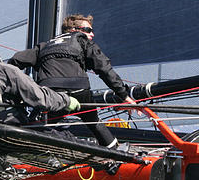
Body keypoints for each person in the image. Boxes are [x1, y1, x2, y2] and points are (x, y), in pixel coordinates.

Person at [9, 14, 134, 147]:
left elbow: (15, 62)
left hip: (50, 93)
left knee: (37, 125)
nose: (92, 34)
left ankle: (38, 154)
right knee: (94, 122)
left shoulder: (44, 46)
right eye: (88, 30)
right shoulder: (82, 40)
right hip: (79, 90)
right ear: (75, 30)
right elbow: (104, 68)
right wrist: (124, 95)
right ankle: (114, 153)